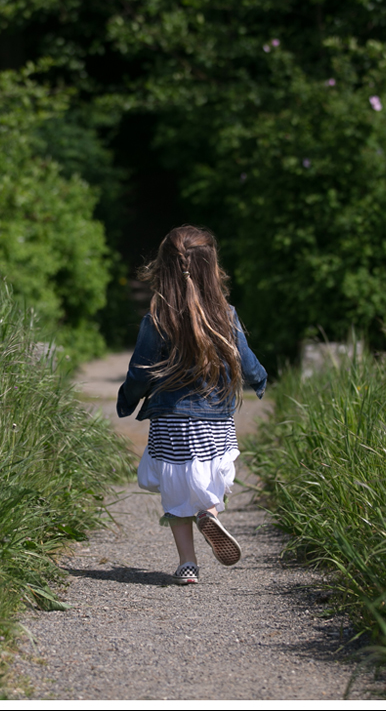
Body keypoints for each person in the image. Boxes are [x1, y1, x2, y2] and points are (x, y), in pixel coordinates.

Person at [117, 225, 267, 584]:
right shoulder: (225, 314)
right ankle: (210, 513)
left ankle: (187, 563)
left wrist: (127, 400)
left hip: (171, 422)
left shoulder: (158, 319)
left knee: (176, 490)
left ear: (164, 268)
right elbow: (246, 362)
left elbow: (139, 372)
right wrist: (260, 379)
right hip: (215, 421)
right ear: (211, 268)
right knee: (209, 476)